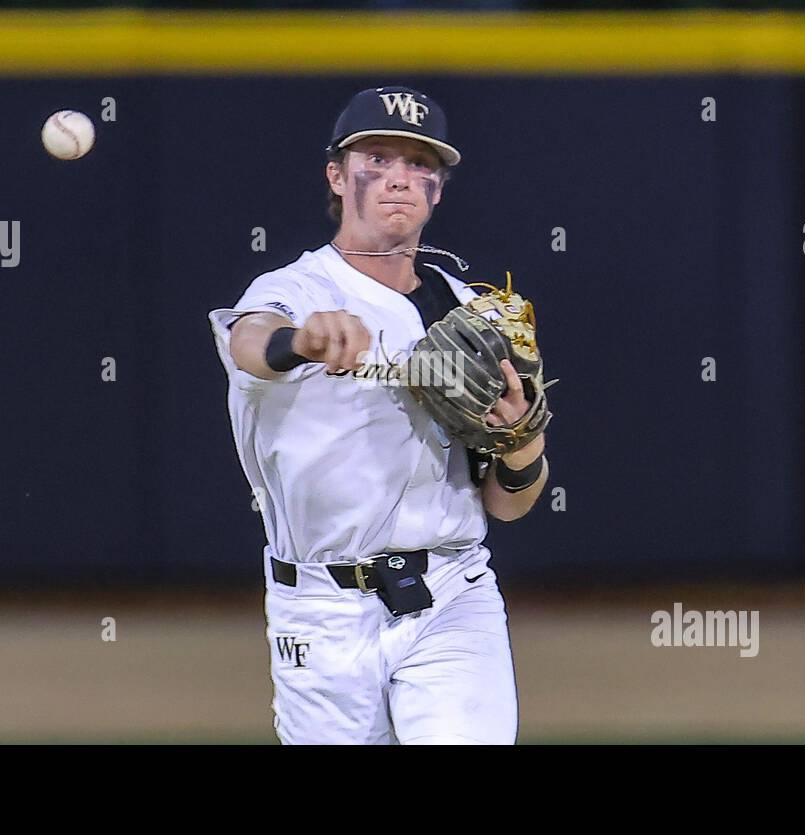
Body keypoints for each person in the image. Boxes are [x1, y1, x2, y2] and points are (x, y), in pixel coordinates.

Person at [208, 86, 550, 744]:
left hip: (454, 589)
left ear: (438, 189)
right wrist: (300, 340)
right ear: (337, 176)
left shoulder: (471, 313)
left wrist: (520, 443)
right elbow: (250, 342)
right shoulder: (297, 290)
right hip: (321, 606)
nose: (400, 176)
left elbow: (511, 501)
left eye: (420, 163)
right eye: (378, 157)